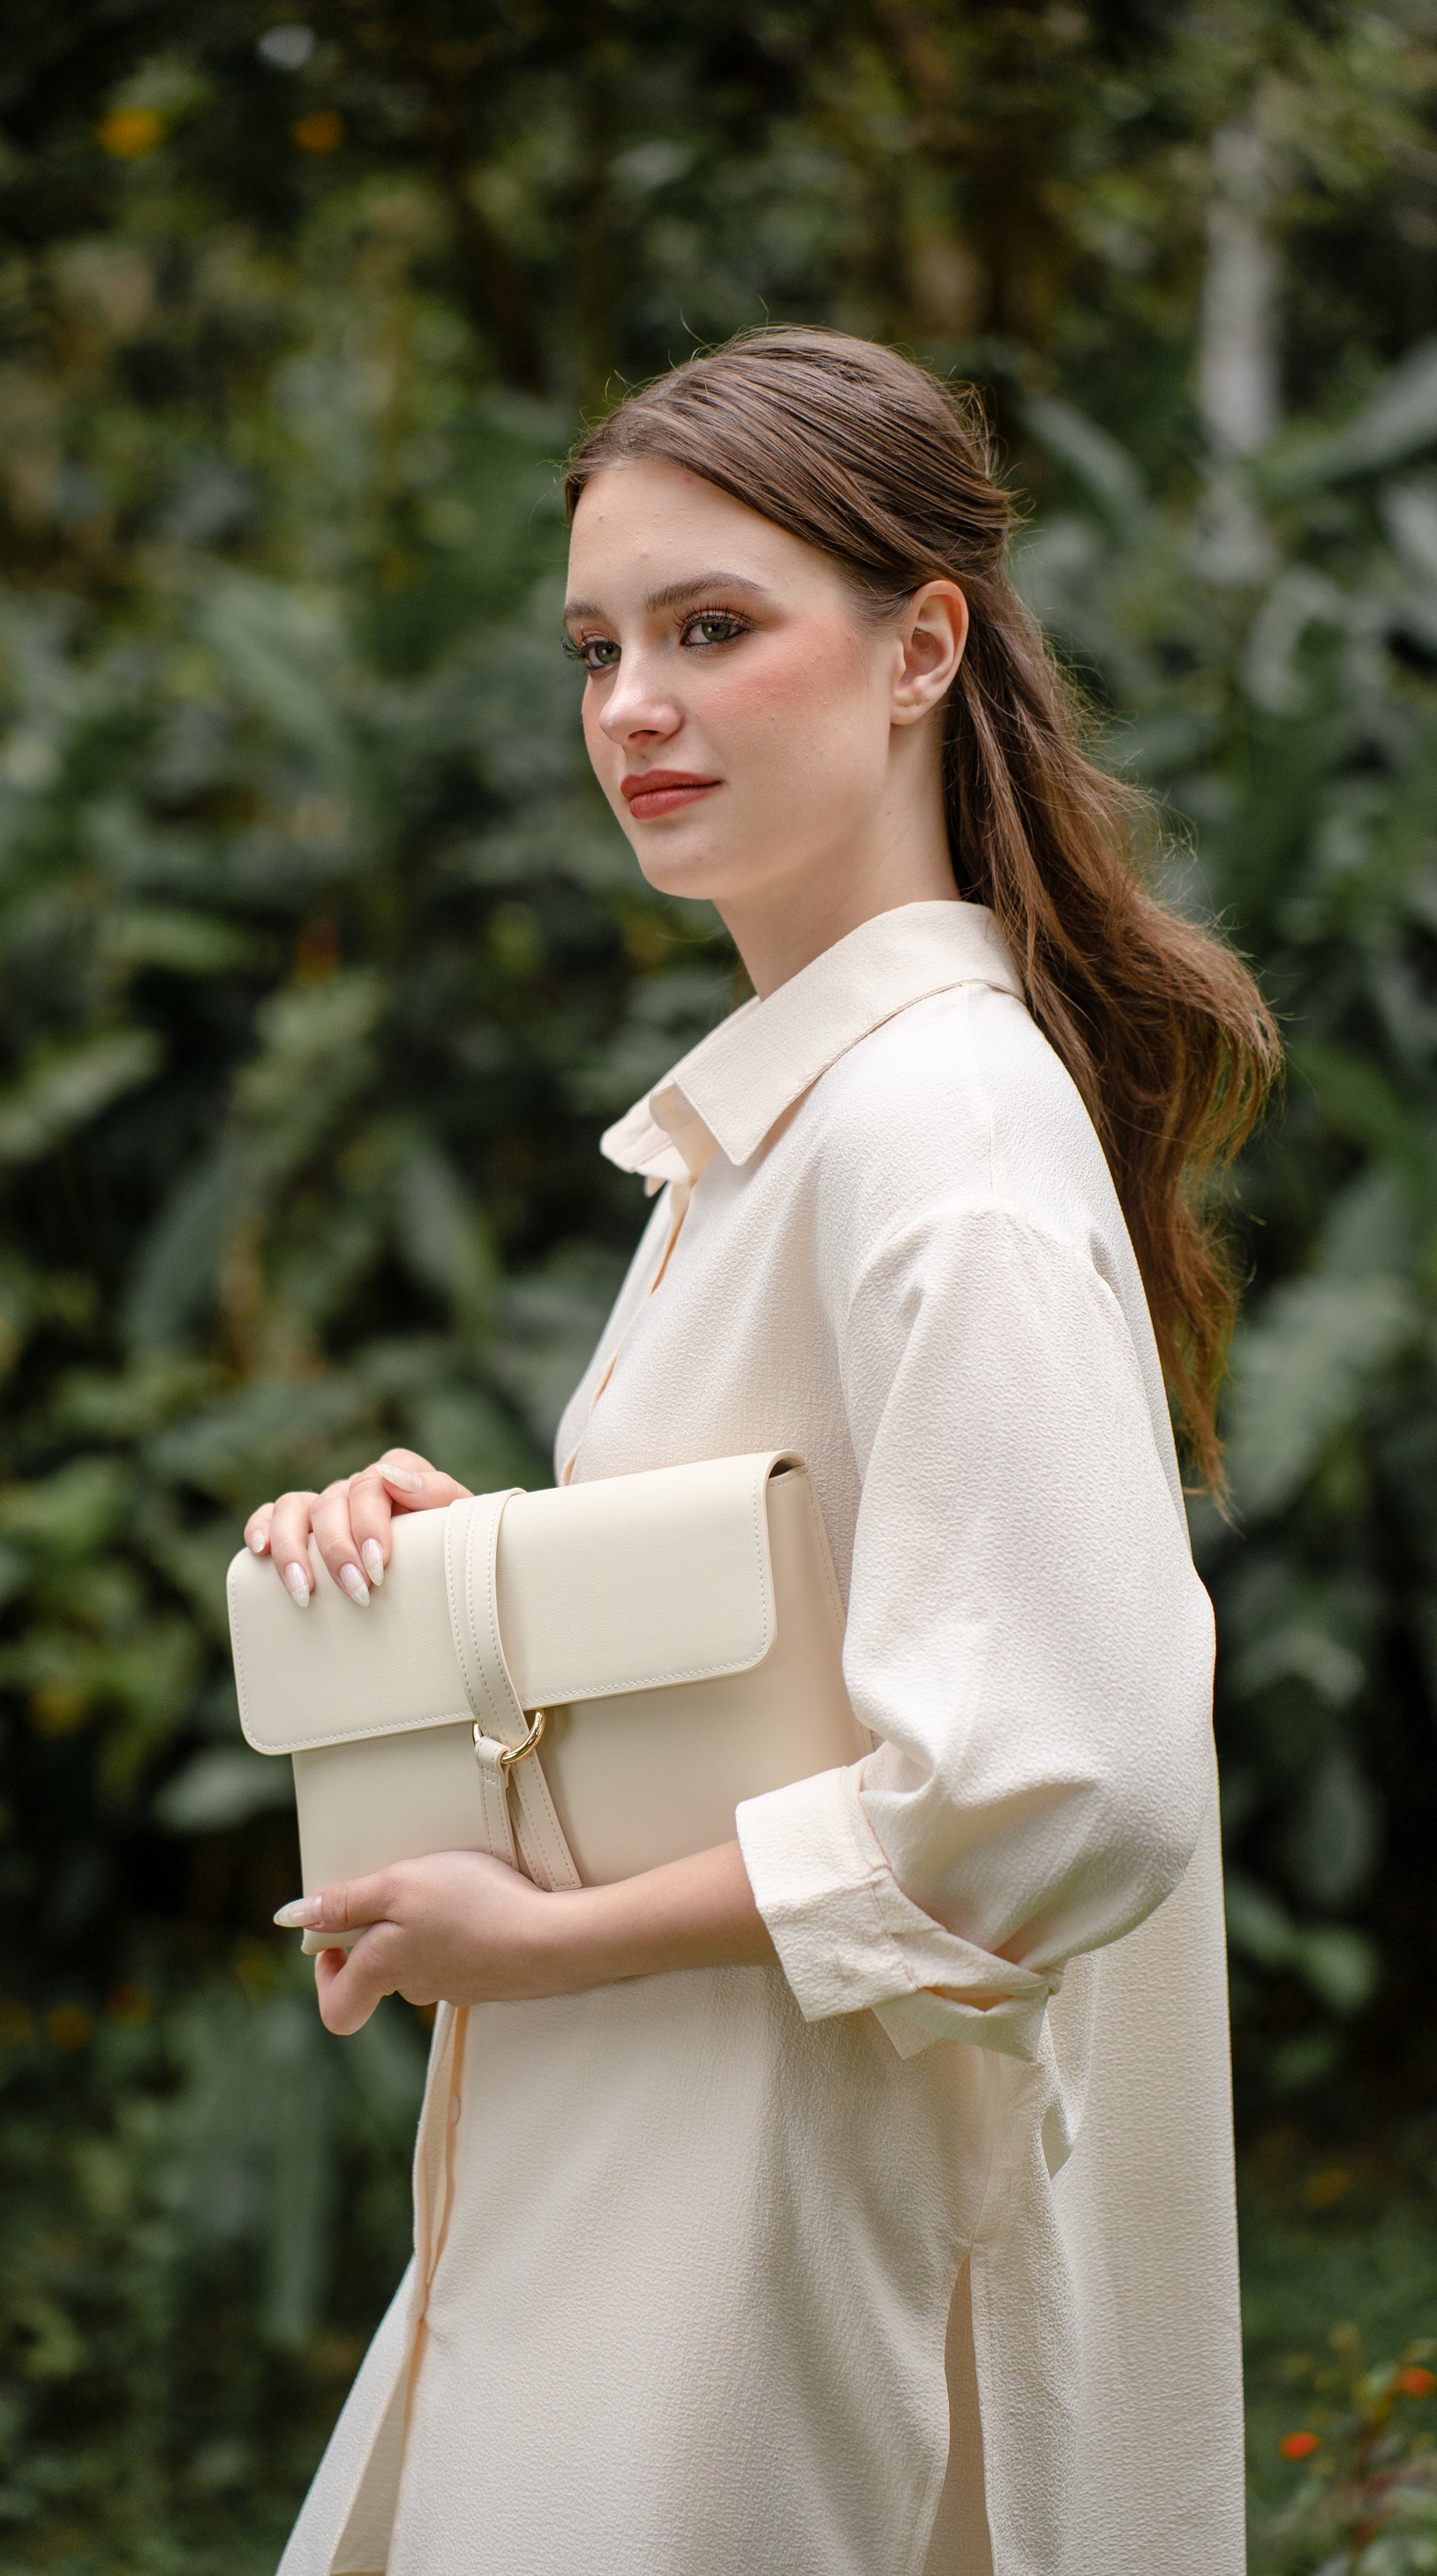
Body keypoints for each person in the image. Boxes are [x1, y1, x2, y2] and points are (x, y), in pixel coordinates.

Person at [245, 327, 1279, 2576]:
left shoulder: (932, 1122)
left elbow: (1055, 1782)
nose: (632, 704)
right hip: (643, 2192)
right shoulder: (791, 1115)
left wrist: (552, 1936)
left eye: (714, 628)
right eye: (598, 645)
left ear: (920, 647)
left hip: (793, 2253)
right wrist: (479, 1576)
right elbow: (816, 1604)